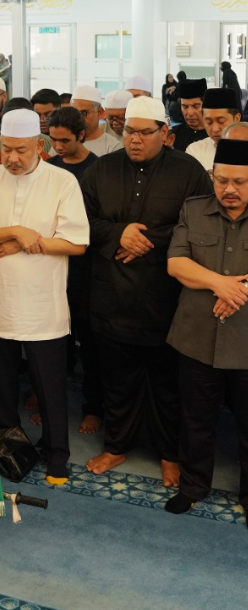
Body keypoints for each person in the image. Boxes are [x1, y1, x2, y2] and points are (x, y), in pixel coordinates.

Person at [81, 96, 213, 485]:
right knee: (117, 380)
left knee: (167, 385)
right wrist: (117, 233)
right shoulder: (101, 169)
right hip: (112, 295)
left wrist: (148, 240)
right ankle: (117, 446)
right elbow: (81, 220)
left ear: (165, 134)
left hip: (165, 298)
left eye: (143, 132)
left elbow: (198, 225)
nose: (134, 140)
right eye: (128, 132)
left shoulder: (188, 171)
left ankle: (170, 454)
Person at [0, 109, 90, 484]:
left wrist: (19, 244)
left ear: (40, 145)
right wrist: (16, 230)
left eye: (21, 150)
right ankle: (8, 450)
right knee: (1, 385)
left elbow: (76, 243)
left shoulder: (62, 182)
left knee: (49, 385)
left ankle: (57, 455)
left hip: (42, 304)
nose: (12, 159)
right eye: (6, 150)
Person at [163, 138, 248, 523]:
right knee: (196, 418)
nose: (229, 189)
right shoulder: (194, 210)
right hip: (198, 335)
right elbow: (176, 264)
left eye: (241, 182)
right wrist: (222, 284)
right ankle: (193, 486)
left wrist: (239, 291)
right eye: (222, 180)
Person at [46, 106, 104, 433]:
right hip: (51, 267)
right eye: (53, 140)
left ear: (81, 135)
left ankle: (93, 407)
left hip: (86, 268)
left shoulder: (98, 170)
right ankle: (47, 399)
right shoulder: (49, 168)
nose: (58, 147)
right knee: (56, 339)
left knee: (90, 342)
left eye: (65, 140)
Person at [186, 88, 241, 172]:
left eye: (221, 121)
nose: (215, 129)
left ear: (236, 118)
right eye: (209, 122)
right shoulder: (195, 151)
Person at [70, 85, 123, 157]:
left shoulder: (113, 147)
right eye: (74, 113)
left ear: (99, 113)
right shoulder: (64, 141)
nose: (78, 118)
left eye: (83, 113)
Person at [173, 78, 209, 152]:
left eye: (196, 106)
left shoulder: (215, 135)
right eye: (185, 107)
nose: (190, 113)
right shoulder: (173, 135)